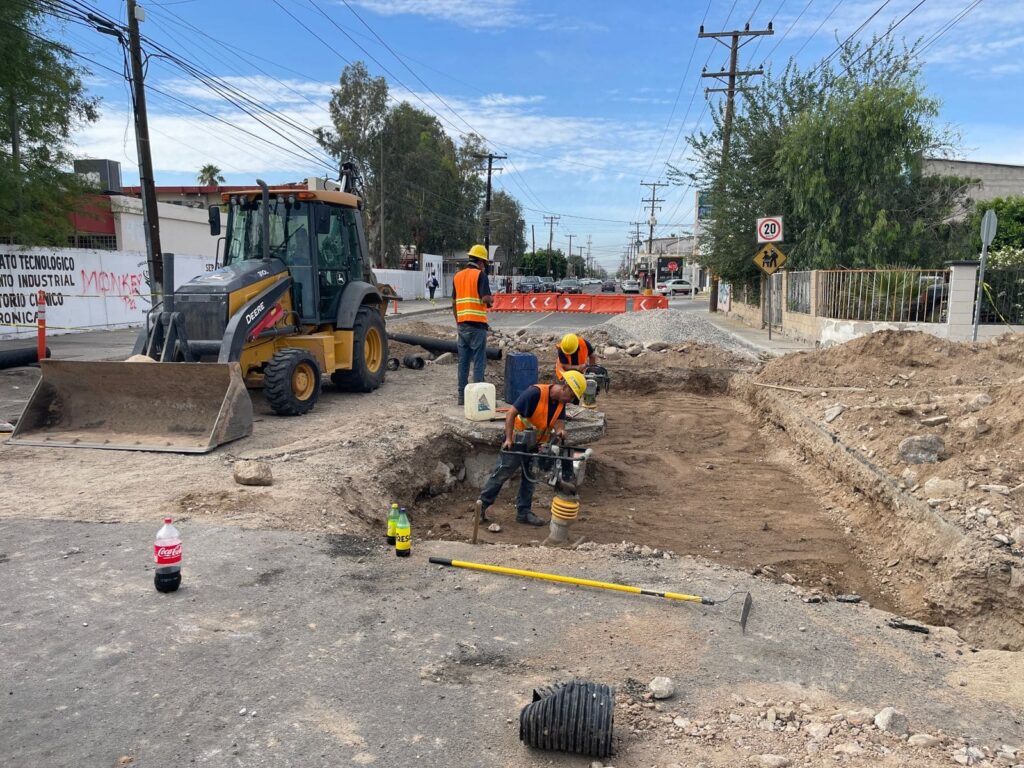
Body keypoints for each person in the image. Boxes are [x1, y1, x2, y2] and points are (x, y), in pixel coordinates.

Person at [477, 371, 587, 526]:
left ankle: (524, 513)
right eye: (571, 396)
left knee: (530, 478)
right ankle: (481, 507)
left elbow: (559, 422)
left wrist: (560, 431)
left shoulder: (561, 404)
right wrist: (508, 438)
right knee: (501, 474)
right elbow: (510, 414)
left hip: (537, 444)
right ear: (565, 388)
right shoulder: (534, 393)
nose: (570, 401)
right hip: (517, 441)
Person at [452, 244, 494, 405]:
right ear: (481, 261)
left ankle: (462, 397)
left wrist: (458, 321)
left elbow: (454, 303)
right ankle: (478, 400)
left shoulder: (458, 276)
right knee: (478, 362)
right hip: (477, 326)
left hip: (462, 325)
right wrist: (491, 301)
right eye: (485, 263)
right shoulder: (480, 275)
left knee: (463, 362)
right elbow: (485, 298)